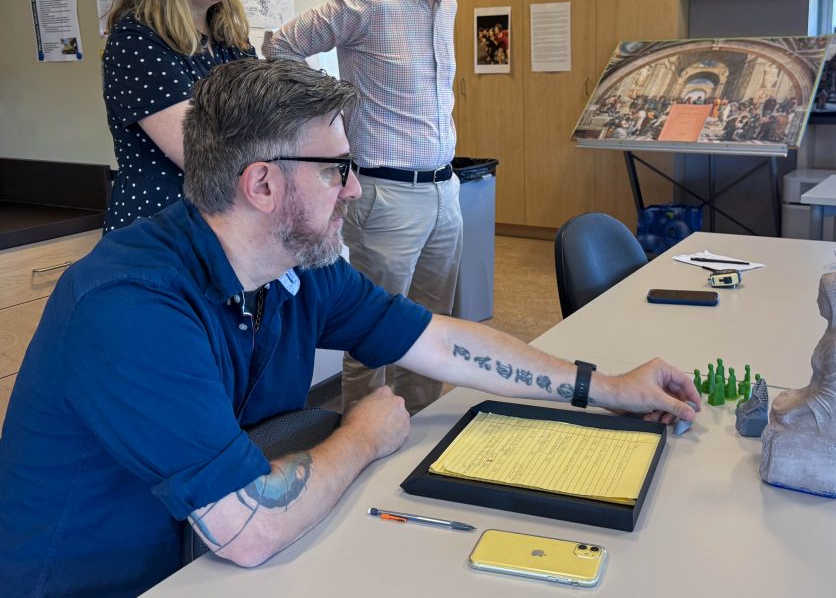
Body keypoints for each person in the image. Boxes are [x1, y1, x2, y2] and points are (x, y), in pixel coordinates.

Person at [0, 58, 700, 596]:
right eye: (338, 169)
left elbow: (440, 340)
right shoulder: (131, 307)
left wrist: (606, 388)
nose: (356, 189)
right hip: (110, 584)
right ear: (264, 186)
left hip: (209, 562)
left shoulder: (298, 265)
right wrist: (362, 435)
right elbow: (250, 528)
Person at [263, 0, 471, 416]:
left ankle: (418, 432)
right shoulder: (369, 2)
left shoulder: (447, 4)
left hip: (444, 188)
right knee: (375, 333)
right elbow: (281, 45)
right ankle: (361, 445)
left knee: (431, 328)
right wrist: (326, 116)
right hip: (386, 194)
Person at [102, 0, 257, 233]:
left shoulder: (229, 37)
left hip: (225, 231)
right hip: (162, 237)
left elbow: (270, 127)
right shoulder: (136, 41)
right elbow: (208, 158)